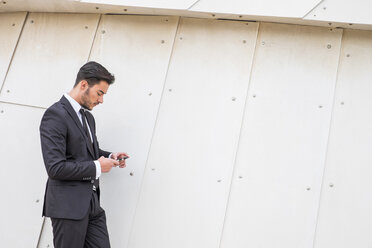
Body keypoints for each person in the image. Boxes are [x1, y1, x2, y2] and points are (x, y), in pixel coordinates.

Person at [39, 61, 129, 248]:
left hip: (92, 204)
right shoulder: (55, 115)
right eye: (100, 93)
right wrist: (97, 167)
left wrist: (110, 156)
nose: (101, 100)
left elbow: (87, 152)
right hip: (68, 208)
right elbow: (55, 168)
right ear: (83, 85)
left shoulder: (88, 117)